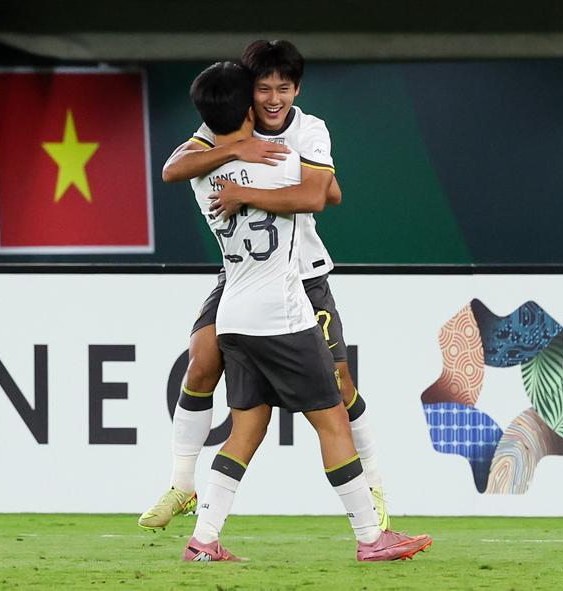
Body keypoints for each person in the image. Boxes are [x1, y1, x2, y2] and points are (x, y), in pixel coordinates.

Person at [180, 60, 431, 561]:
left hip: (233, 315)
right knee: (334, 420)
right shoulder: (281, 161)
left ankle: (203, 539)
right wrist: (290, 168)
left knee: (246, 429)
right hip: (283, 314)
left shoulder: (202, 175)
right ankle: (371, 537)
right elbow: (325, 193)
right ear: (248, 108)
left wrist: (233, 166)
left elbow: (175, 167)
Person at [139, 39, 391, 533]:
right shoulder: (229, 127)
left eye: (283, 88)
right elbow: (172, 169)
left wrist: (245, 192)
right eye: (264, 88)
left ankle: (375, 487)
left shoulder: (309, 130)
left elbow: (325, 194)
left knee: (339, 386)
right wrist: (236, 148)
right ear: (249, 93)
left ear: (297, 89)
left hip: (302, 275)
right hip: (240, 274)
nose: (273, 98)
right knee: (201, 361)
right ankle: (181, 485)